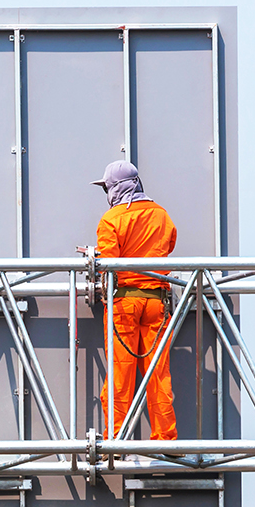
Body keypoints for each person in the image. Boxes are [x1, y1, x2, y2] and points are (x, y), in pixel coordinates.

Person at [90, 161, 178, 441]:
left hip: (124, 304)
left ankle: (116, 439)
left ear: (116, 187)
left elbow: (109, 263)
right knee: (158, 374)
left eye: (107, 187)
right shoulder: (162, 215)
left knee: (120, 376)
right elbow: (169, 244)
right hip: (157, 304)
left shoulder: (111, 220)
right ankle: (165, 439)